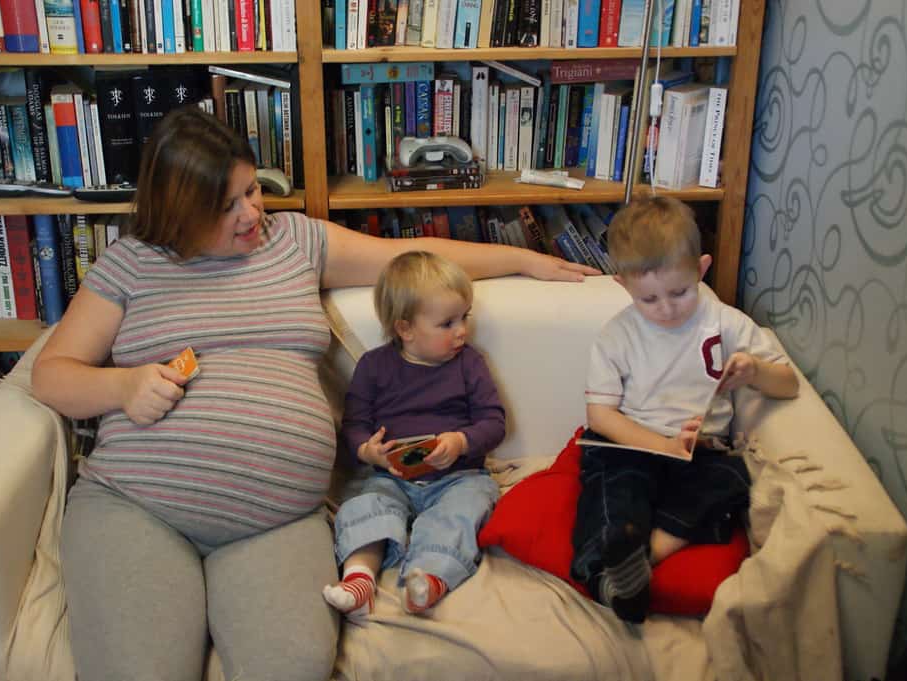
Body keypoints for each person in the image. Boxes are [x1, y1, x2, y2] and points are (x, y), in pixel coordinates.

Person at [30, 106, 597, 681]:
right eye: (225, 206)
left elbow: (414, 262)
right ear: (179, 212)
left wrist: (525, 259)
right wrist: (122, 384)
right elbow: (51, 374)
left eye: (252, 190)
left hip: (276, 521)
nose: (251, 212)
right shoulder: (131, 263)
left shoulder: (294, 239)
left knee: (295, 664)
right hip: (138, 506)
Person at [569, 196, 799, 624]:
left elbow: (787, 384)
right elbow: (601, 416)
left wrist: (754, 371)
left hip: (700, 452)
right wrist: (662, 445)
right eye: (649, 299)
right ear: (622, 285)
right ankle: (605, 575)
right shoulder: (616, 336)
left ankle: (640, 560)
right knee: (613, 488)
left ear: (702, 268)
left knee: (732, 480)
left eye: (679, 292)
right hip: (633, 442)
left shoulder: (725, 321)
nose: (668, 309)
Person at [322, 251, 503, 618]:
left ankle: (430, 578)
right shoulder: (373, 366)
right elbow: (354, 424)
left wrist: (461, 441)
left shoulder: (470, 363)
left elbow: (494, 421)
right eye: (447, 323)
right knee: (364, 504)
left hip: (459, 477)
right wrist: (367, 451)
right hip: (392, 477)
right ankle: (359, 578)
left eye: (463, 317)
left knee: (466, 510)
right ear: (405, 329)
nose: (462, 331)